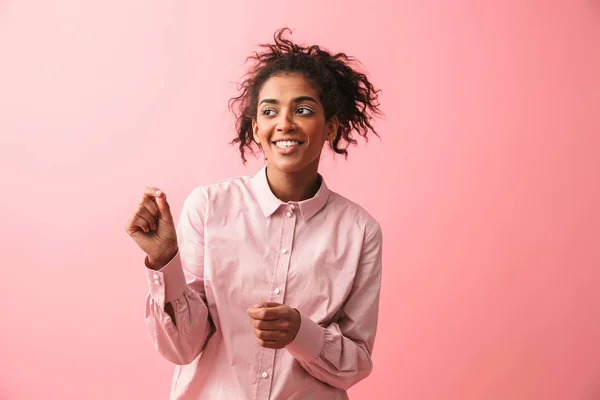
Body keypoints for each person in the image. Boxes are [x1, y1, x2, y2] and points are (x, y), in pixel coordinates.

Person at [125, 27, 383, 400]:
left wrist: (301, 333)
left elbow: (355, 364)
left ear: (330, 127)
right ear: (256, 128)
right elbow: (182, 348)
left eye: (304, 110)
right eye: (270, 111)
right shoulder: (209, 208)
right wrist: (165, 259)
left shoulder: (360, 231)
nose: (285, 123)